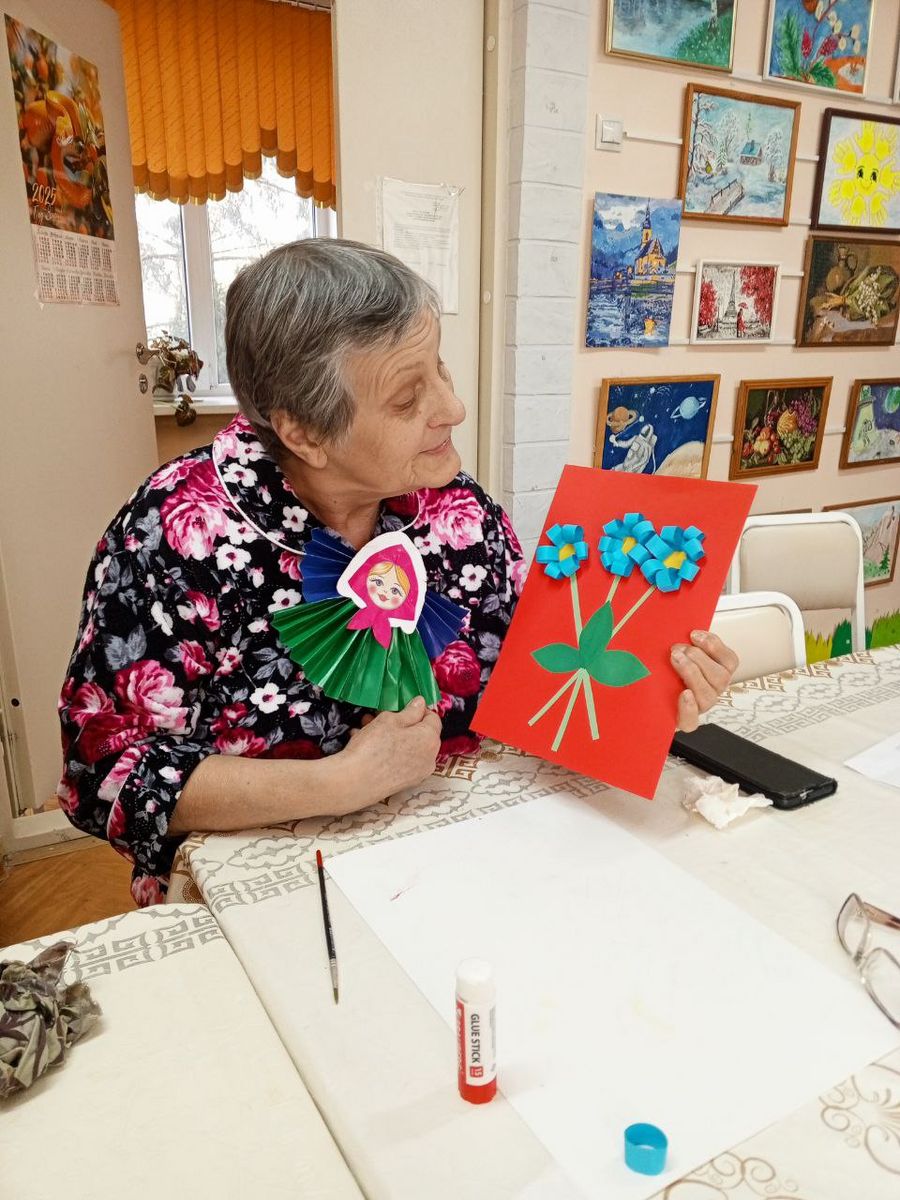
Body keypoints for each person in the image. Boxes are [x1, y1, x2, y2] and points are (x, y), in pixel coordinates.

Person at [58, 239, 738, 906]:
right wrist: (338, 782)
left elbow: (535, 685)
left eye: (440, 369)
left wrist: (647, 695)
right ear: (304, 433)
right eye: (408, 399)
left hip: (469, 869)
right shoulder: (175, 534)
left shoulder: (455, 509)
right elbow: (104, 776)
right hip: (279, 898)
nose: (453, 408)